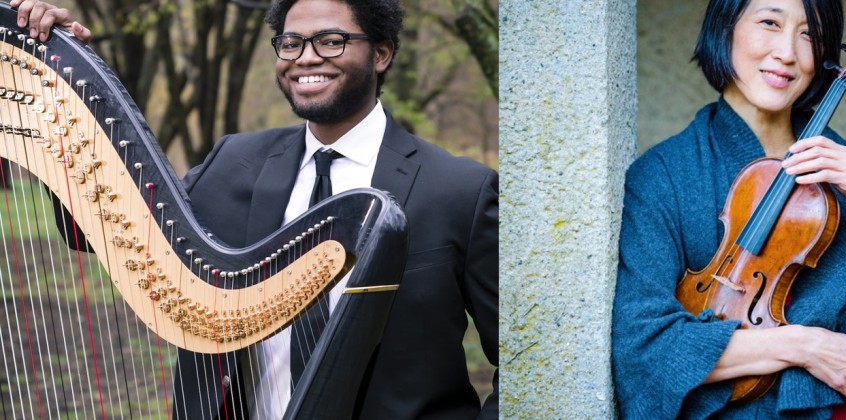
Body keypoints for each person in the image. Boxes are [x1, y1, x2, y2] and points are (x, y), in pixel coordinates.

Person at [12, 0, 499, 419]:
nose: (306, 58)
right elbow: (99, 229)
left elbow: (521, 361)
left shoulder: (459, 189)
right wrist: (61, 92)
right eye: (291, 43)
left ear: (382, 53)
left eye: (331, 41)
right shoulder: (232, 162)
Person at [612, 0, 846, 418]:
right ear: (726, 28)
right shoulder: (663, 176)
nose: (788, 52)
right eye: (770, 23)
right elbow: (644, 347)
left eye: (809, 34)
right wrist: (801, 346)